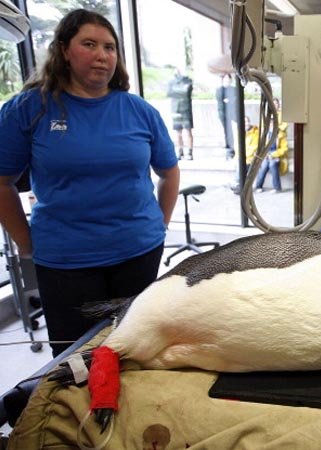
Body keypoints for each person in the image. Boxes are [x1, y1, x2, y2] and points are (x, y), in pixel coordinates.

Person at [0, 9, 180, 357]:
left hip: (138, 252)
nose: (102, 55)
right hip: (66, 260)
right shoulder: (30, 109)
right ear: (64, 50)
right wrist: (24, 242)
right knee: (75, 361)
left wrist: (160, 225)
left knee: (133, 349)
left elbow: (169, 172)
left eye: (110, 47)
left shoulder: (139, 111)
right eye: (89, 44)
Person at [167, 68, 194, 160]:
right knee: (178, 132)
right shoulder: (171, 82)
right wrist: (180, 90)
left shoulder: (188, 80)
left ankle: (190, 152)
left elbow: (186, 92)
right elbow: (169, 93)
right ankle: (180, 151)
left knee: (188, 131)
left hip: (186, 109)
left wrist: (176, 90)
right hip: (175, 109)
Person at [254, 121, 288, 193]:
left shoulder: (281, 135)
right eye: (270, 124)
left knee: (273, 164)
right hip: (266, 155)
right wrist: (266, 155)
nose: (272, 126)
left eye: (273, 124)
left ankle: (277, 188)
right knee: (264, 165)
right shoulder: (265, 134)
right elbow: (261, 147)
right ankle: (258, 186)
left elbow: (284, 149)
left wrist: (273, 155)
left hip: (277, 155)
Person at [216, 74, 237, 160]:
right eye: (225, 79)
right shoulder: (219, 90)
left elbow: (234, 99)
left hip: (233, 114)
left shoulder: (234, 89)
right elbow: (221, 100)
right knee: (227, 133)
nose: (227, 80)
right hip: (224, 115)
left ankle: (233, 150)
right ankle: (229, 150)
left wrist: (229, 100)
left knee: (234, 132)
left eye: (228, 78)